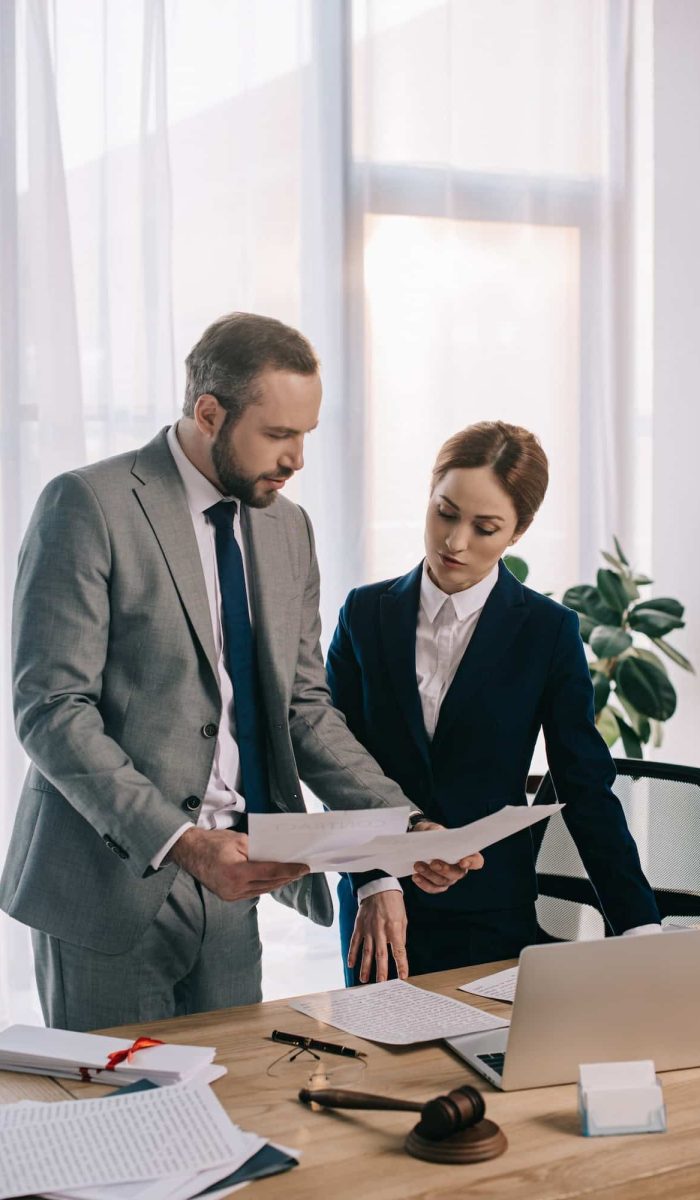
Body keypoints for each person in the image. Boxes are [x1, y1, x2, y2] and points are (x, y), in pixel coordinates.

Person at [0, 312, 472, 1031]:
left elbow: (305, 708)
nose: (296, 460)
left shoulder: (289, 528)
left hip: (237, 889)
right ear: (208, 413)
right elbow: (52, 708)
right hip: (109, 885)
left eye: (306, 435)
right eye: (279, 436)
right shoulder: (88, 504)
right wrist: (183, 843)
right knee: (119, 1126)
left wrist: (402, 829)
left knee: (228, 1111)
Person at [328, 421, 662, 986]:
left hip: (491, 911)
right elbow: (333, 757)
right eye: (445, 512)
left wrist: (638, 927)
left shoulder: (549, 631)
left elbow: (583, 783)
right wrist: (376, 879)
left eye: (485, 528)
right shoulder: (364, 613)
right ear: (430, 492)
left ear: (519, 531)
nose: (455, 542)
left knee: (493, 1067)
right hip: (380, 904)